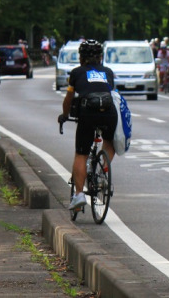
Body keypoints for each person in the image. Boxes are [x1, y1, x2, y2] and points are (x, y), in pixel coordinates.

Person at [58, 39, 118, 211]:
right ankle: (101, 174)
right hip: (109, 113)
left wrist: (64, 114)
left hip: (87, 113)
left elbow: (69, 98)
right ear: (100, 57)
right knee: (110, 144)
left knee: (81, 154)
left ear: (81, 57)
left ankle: (78, 195)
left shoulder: (76, 73)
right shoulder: (108, 72)